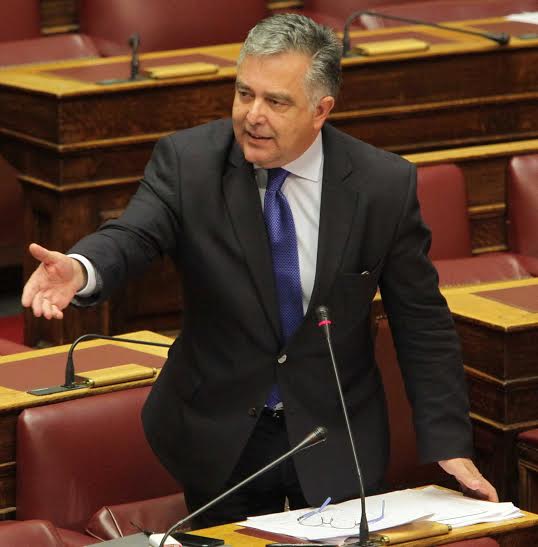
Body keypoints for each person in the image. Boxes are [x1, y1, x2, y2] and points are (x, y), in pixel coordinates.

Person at [21, 13, 497, 528]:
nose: (253, 115)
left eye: (276, 101)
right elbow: (135, 233)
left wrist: (450, 443)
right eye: (244, 93)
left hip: (334, 436)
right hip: (219, 433)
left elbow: (421, 320)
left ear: (321, 110)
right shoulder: (188, 162)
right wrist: (83, 267)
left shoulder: (382, 185)